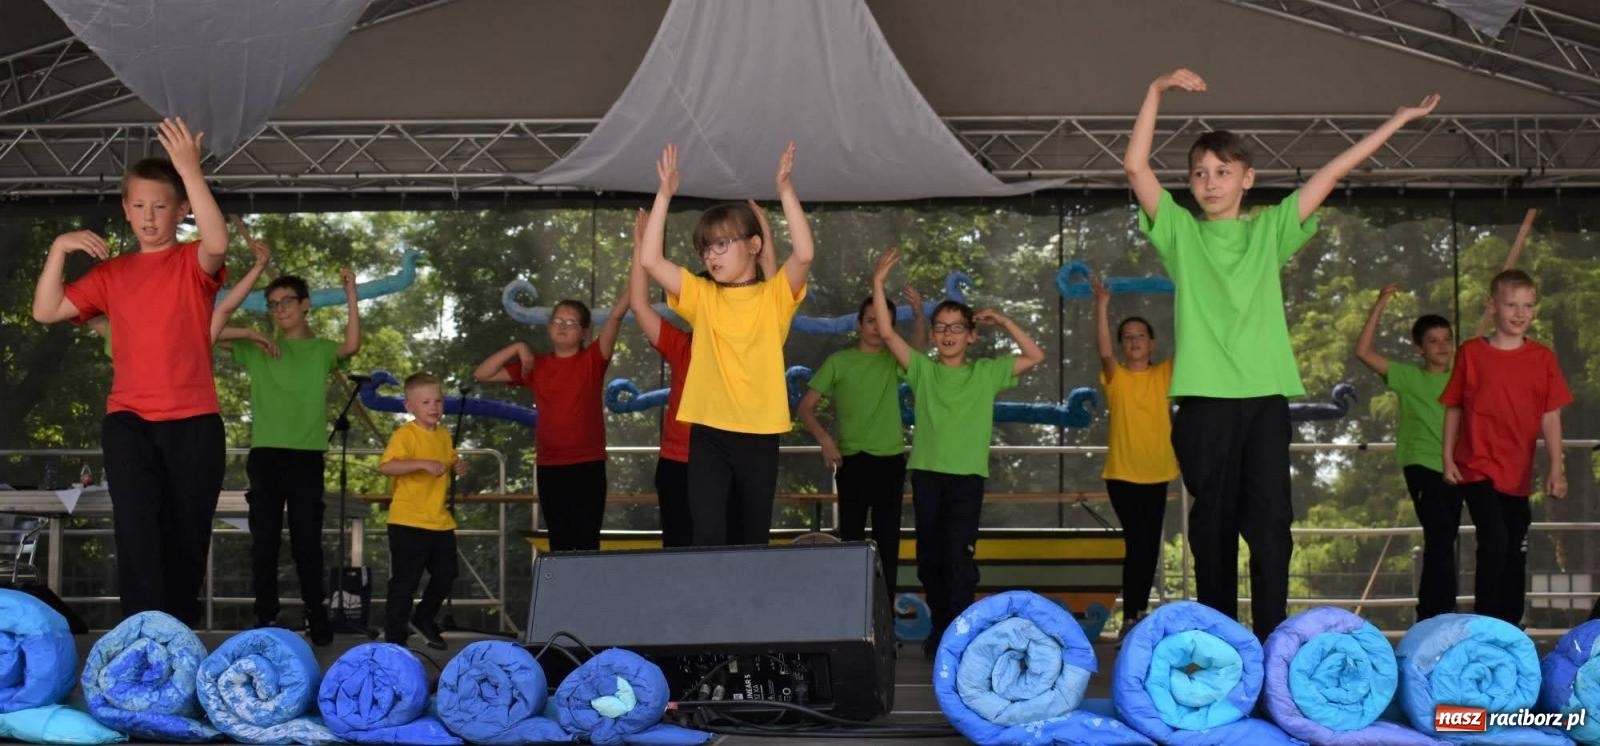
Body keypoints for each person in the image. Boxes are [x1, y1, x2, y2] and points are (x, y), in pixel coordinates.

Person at [1124, 66, 1439, 638]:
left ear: (1248, 179)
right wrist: (1155, 91)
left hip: (1265, 403)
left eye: (1223, 171)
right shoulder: (1179, 233)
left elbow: (1333, 172)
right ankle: (1223, 649)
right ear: (1189, 184)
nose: (1210, 181)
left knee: (1272, 527)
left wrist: (1395, 123)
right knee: (1211, 535)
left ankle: (1273, 641)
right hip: (1203, 408)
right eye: (1199, 173)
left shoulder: (1270, 230)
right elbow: (1135, 167)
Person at [31, 117, 231, 626]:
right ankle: (141, 640)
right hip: (130, 424)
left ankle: (178, 641)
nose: (148, 216)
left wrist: (189, 169)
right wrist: (60, 248)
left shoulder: (192, 263)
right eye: (138, 206)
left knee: (187, 540)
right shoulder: (111, 274)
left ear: (181, 209)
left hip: (194, 424)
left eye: (161, 206)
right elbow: (45, 311)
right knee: (137, 536)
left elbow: (217, 242)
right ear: (125, 209)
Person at [636, 142, 814, 546]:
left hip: (760, 433)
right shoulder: (703, 296)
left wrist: (786, 190)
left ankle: (747, 608)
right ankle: (709, 608)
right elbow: (651, 262)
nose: (712, 254)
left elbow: (803, 253)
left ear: (753, 245)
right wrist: (664, 194)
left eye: (723, 243)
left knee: (752, 537)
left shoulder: (774, 297)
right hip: (709, 433)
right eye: (706, 247)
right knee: (708, 533)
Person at [870, 247, 1045, 657]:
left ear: (971, 335)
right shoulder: (923, 371)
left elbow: (1035, 355)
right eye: (941, 327)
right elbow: (888, 333)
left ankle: (959, 636)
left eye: (957, 327)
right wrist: (878, 284)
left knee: (958, 559)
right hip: (929, 475)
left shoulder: (985, 373)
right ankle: (941, 629)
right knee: (930, 559)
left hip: (967, 479)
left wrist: (1002, 319)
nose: (948, 334)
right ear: (933, 335)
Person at [626, 205, 776, 548]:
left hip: (737, 453)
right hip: (680, 462)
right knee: (686, 554)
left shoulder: (757, 328)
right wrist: (640, 250)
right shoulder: (681, 345)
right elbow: (639, 305)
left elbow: (768, 284)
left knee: (742, 545)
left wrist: (764, 233)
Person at [230, 265, 362, 644]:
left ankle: (316, 615)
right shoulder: (259, 347)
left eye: (287, 301)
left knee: (308, 542)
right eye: (272, 305)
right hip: (266, 456)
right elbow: (207, 332)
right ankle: (265, 615)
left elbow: (351, 345)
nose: (280, 309)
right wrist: (249, 331)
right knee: (265, 540)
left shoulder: (320, 350)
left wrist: (350, 292)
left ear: (305, 305)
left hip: (306, 456)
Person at [1442, 269, 1570, 625]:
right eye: (1511, 304)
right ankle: (1486, 622)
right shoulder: (1471, 353)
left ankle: (1511, 625)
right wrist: (1446, 456)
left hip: (1518, 472)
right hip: (1476, 465)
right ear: (1493, 306)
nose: (1519, 313)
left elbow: (1551, 415)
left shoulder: (1542, 359)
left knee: (1516, 549)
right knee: (1494, 540)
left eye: (1527, 305)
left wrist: (1556, 468)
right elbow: (1454, 405)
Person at [474, 284, 627, 551]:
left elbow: (615, 316)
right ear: (548, 327)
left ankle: (586, 592)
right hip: (550, 466)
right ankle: (562, 593)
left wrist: (641, 263)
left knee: (587, 541)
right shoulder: (536, 366)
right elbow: (482, 374)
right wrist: (518, 347)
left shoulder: (593, 359)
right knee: (560, 541)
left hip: (587, 464)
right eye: (557, 320)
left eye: (571, 322)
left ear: (584, 332)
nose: (563, 326)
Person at [797, 291, 925, 600]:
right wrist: (826, 440)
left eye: (884, 323)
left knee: (887, 542)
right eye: (871, 320)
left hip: (891, 462)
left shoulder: (892, 360)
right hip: (852, 462)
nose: (876, 328)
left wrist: (920, 316)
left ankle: (886, 619)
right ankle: (850, 610)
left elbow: (918, 357)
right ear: (858, 324)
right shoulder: (839, 361)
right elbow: (805, 408)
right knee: (851, 542)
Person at [1353, 282, 1458, 621]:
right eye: (1433, 341)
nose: (1442, 347)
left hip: (1456, 467)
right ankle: (1432, 613)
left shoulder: (1463, 375)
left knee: (1447, 539)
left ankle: (1442, 610)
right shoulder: (1408, 376)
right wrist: (1381, 301)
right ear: (1419, 348)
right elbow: (1364, 351)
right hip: (1422, 465)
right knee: (1440, 536)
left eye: (1447, 340)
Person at [1091, 274, 1177, 633]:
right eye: (1128, 337)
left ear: (1152, 344)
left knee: (1146, 547)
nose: (1134, 341)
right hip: (1123, 475)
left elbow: (1193, 340)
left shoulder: (1166, 374)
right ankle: (1131, 617)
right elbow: (1105, 351)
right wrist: (1102, 305)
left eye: (1140, 336)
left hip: (1158, 474)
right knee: (1138, 543)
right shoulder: (1116, 377)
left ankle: (1136, 614)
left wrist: (1191, 293)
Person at [378, 373, 468, 650]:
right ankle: (394, 636)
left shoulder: (443, 436)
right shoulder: (405, 435)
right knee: (406, 581)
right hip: (408, 521)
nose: (434, 407)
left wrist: (459, 466)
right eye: (426, 401)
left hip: (439, 521)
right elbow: (387, 466)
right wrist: (421, 464)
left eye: (438, 400)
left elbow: (451, 461)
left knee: (447, 574)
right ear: (410, 407)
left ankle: (424, 617)